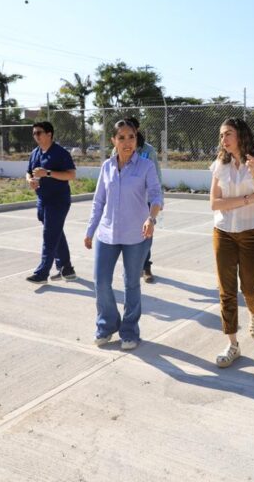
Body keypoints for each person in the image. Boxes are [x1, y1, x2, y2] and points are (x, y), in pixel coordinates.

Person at [85, 119, 163, 350]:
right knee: (101, 282)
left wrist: (151, 218)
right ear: (113, 141)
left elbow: (157, 196)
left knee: (131, 283)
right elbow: (98, 201)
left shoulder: (146, 166)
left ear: (137, 138)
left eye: (131, 137)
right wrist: (90, 230)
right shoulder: (106, 167)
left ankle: (129, 331)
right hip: (106, 234)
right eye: (122, 138)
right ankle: (107, 325)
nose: (127, 142)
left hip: (136, 235)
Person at [209, 117, 254, 368]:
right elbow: (214, 204)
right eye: (221, 135)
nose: (223, 139)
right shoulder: (219, 165)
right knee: (226, 290)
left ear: (241, 136)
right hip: (223, 231)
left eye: (228, 134)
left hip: (252, 232)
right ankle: (232, 343)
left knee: (249, 287)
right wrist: (248, 198)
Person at [25, 121, 77, 284]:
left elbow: (71, 174)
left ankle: (42, 273)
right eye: (34, 133)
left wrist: (47, 172)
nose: (36, 136)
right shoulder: (35, 153)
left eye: (39, 133)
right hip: (42, 200)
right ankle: (66, 268)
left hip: (58, 200)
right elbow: (28, 172)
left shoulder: (60, 153)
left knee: (49, 235)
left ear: (49, 134)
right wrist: (30, 181)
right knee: (55, 232)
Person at [127, 116, 163, 283]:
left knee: (146, 233)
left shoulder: (148, 151)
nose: (127, 135)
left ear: (137, 130)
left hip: (145, 200)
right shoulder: (116, 150)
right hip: (126, 199)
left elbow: (156, 176)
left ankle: (146, 266)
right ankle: (133, 265)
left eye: (131, 131)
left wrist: (157, 199)